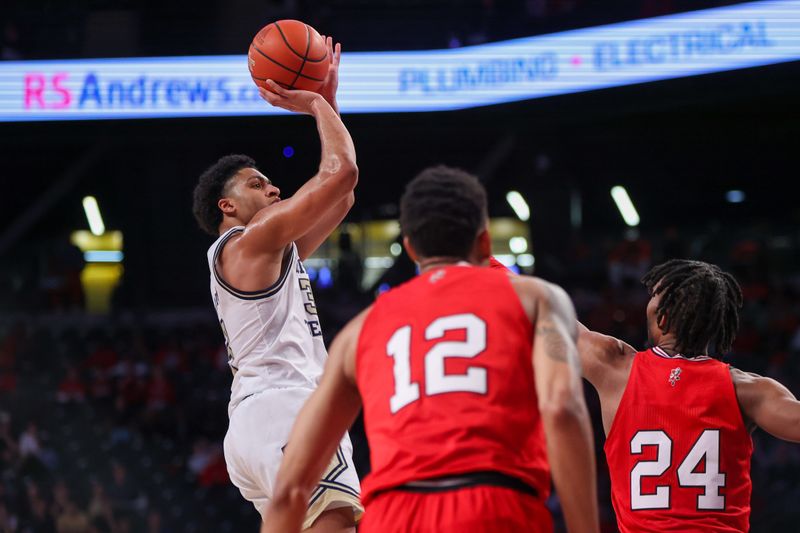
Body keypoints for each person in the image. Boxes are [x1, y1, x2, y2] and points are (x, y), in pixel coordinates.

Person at [263, 165, 599, 533]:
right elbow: (562, 407)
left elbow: (290, 489)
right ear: (485, 242)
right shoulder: (538, 298)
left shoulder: (358, 331)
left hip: (393, 514)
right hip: (493, 502)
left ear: (410, 248)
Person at [191, 37, 363, 532]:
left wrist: (329, 109)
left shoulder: (266, 252)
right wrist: (312, 103)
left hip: (258, 421)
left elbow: (343, 195)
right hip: (285, 408)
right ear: (227, 206)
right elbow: (342, 172)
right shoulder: (251, 241)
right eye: (255, 184)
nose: (273, 188)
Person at [577, 259, 800, 532]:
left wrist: (507, 273)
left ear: (662, 317)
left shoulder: (614, 367)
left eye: (654, 296)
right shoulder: (748, 389)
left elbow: (541, 316)